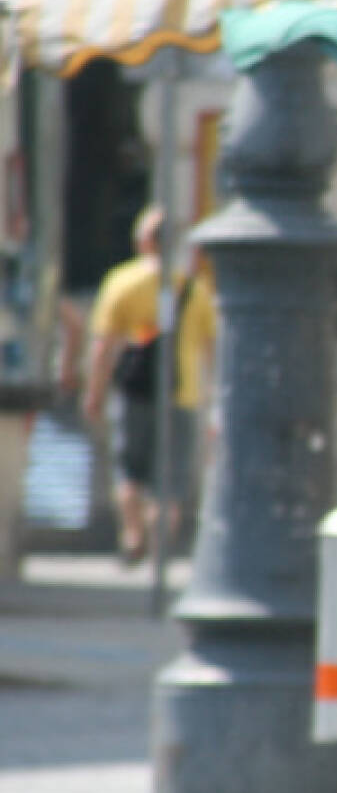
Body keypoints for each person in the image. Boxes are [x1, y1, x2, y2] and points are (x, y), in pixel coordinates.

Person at [82, 206, 216, 563]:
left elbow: (103, 345)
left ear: (143, 241)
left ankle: (133, 535)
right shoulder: (193, 288)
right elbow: (212, 350)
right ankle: (160, 552)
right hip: (182, 393)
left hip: (133, 391)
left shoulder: (122, 282)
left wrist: (94, 392)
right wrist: (214, 401)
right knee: (169, 483)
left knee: (128, 471)